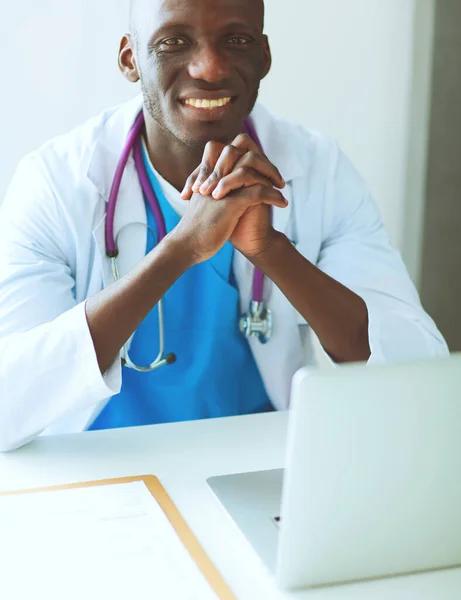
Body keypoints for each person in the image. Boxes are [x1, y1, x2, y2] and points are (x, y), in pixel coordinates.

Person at [0, 0, 447, 451]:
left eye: (237, 40)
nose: (209, 68)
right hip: (102, 474)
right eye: (173, 41)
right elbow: (8, 403)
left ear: (264, 57)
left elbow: (415, 372)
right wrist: (180, 249)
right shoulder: (57, 183)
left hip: (256, 469)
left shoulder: (319, 171)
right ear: (130, 59)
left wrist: (271, 250)